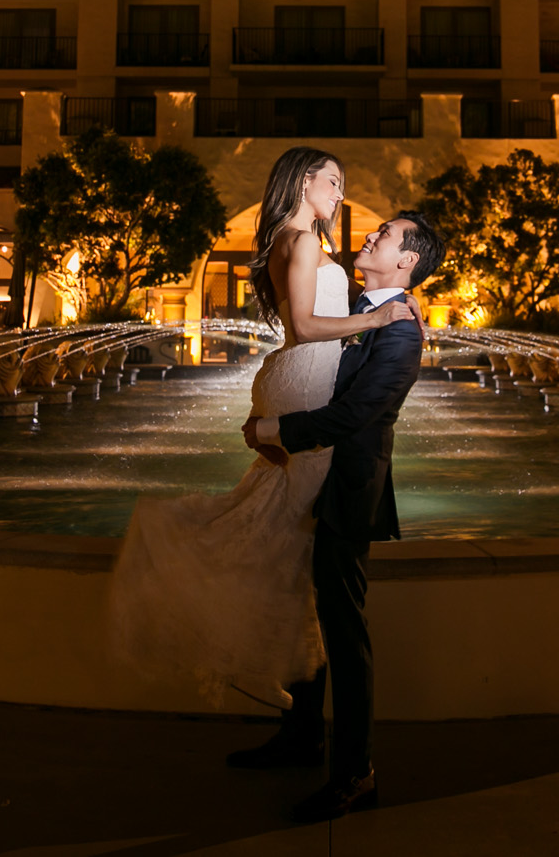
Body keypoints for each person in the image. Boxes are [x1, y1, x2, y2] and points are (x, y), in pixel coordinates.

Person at [106, 149, 414, 714]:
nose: (340, 194)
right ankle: (268, 667)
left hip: (298, 380)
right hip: (303, 384)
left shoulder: (291, 240)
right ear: (302, 182)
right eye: (333, 182)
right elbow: (302, 324)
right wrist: (372, 319)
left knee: (284, 539)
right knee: (292, 545)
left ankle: (282, 686)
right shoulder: (300, 243)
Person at [236, 207, 441, 824]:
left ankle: (357, 773)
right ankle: (301, 735)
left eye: (387, 235)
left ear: (406, 262)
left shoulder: (401, 330)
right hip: (307, 478)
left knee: (343, 630)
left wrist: (273, 427)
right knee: (304, 608)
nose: (372, 233)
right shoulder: (359, 308)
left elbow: (358, 415)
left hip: (348, 490)